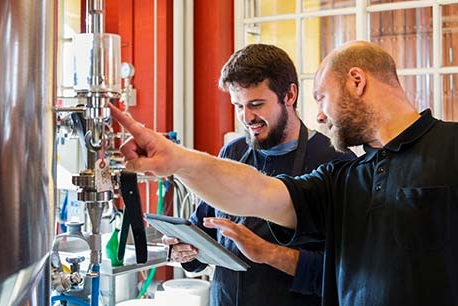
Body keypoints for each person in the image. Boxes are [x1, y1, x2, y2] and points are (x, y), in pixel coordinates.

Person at [109, 40, 458, 306]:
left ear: (356, 81)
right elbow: (261, 193)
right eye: (238, 106)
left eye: (321, 97)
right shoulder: (349, 177)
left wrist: (268, 253)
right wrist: (177, 160)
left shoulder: (447, 147)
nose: (319, 115)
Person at [162, 44, 355, 306]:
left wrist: (268, 253)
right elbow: (204, 228)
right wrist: (186, 249)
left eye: (256, 104)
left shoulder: (335, 161)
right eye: (238, 105)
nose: (246, 117)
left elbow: (346, 274)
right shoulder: (233, 151)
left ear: (289, 95)